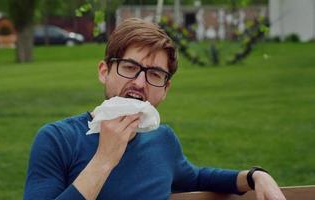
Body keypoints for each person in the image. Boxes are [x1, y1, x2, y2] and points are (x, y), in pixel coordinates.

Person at [23, 18, 285, 200]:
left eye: (155, 74)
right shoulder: (57, 140)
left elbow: (198, 178)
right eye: (129, 67)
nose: (139, 82)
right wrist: (104, 160)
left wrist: (256, 177)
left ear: (165, 89)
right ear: (104, 71)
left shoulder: (162, 139)